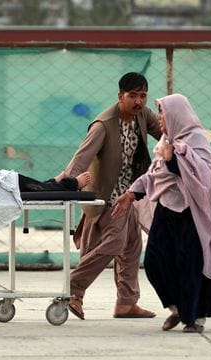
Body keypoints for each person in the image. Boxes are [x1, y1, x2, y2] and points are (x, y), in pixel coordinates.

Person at [112, 93, 211, 333]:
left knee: (190, 266)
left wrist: (176, 159)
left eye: (162, 112)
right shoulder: (166, 141)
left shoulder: (197, 139)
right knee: (154, 263)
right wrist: (131, 193)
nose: (159, 118)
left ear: (176, 114)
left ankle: (194, 318)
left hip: (192, 214)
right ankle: (177, 309)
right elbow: (155, 175)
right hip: (167, 211)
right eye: (159, 112)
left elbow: (204, 176)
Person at [62, 72, 162, 320]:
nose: (138, 102)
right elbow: (81, 158)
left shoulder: (142, 116)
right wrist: (65, 183)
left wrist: (193, 147)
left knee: (131, 247)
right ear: (120, 96)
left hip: (128, 197)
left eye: (142, 96)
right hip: (105, 198)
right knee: (112, 245)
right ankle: (72, 288)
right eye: (132, 96)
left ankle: (126, 303)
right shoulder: (103, 125)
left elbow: (166, 133)